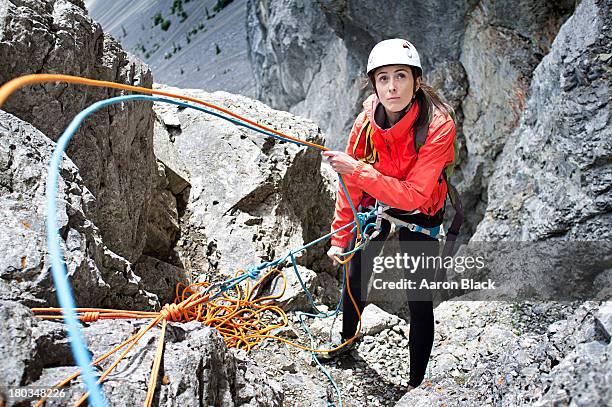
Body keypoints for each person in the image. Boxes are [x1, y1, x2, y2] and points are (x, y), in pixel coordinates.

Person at [318, 38, 456, 392]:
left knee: (419, 298)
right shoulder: (366, 124)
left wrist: (357, 171)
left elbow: (414, 194)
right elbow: (351, 189)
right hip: (379, 202)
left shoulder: (438, 127)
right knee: (356, 274)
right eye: (383, 78)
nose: (392, 86)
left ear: (417, 81)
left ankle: (416, 384)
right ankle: (347, 340)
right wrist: (339, 238)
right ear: (374, 84)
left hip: (421, 210)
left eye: (400, 76)